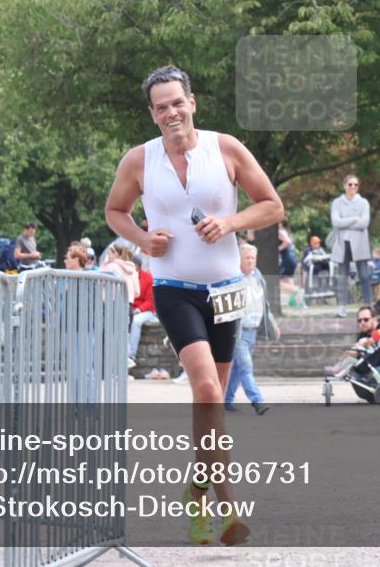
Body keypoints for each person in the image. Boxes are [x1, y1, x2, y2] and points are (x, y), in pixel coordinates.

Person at [104, 65, 283, 545]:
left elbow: (272, 205)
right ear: (152, 113)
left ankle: (197, 494)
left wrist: (228, 223)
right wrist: (143, 238)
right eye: (161, 107)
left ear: (192, 102)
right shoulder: (139, 160)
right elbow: (114, 210)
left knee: (214, 404)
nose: (170, 113)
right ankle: (227, 506)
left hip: (226, 289)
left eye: (176, 103)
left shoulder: (224, 148)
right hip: (174, 288)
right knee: (205, 388)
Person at [225, 244, 279, 415]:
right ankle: (258, 402)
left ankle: (226, 400)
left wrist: (272, 323)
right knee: (246, 367)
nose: (251, 261)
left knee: (237, 368)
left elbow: (266, 304)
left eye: (253, 258)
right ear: (239, 259)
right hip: (238, 332)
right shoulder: (233, 277)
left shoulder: (258, 276)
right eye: (247, 258)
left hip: (253, 331)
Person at [330, 174, 372, 316]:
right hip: (343, 243)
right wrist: (354, 219)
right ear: (344, 186)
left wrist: (345, 222)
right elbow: (336, 222)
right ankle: (341, 306)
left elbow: (365, 223)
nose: (353, 187)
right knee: (342, 276)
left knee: (364, 274)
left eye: (356, 185)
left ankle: (368, 305)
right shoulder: (337, 202)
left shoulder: (363, 202)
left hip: (360, 243)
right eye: (350, 184)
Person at [127, 258, 158, 369]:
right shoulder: (127, 276)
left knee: (135, 321)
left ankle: (131, 356)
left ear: (139, 267)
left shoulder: (148, 278)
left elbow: (150, 301)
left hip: (147, 311)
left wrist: (138, 310)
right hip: (130, 309)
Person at [277, 220, 298, 284]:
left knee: (280, 281)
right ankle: (294, 292)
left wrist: (277, 249)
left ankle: (296, 291)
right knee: (288, 279)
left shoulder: (280, 231)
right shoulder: (286, 231)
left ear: (280, 223)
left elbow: (288, 242)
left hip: (287, 258)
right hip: (292, 257)